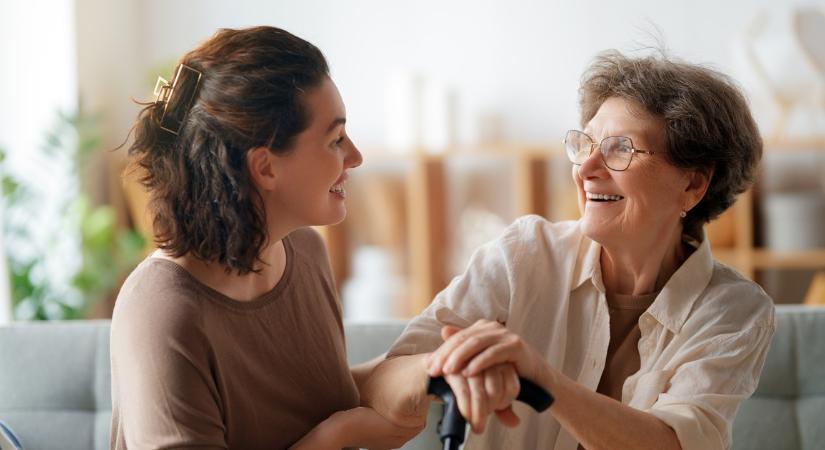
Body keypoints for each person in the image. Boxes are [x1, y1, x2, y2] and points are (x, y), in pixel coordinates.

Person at [362, 50, 775, 450]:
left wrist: (545, 381)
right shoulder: (524, 254)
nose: (586, 169)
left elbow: (672, 443)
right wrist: (446, 368)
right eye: (585, 144)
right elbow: (381, 381)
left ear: (692, 184)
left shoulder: (734, 311)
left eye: (619, 149)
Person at [110, 26, 421, 450]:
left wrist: (431, 369)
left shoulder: (305, 252)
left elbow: (320, 395)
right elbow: (332, 422)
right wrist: (343, 434)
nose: (356, 156)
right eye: (335, 139)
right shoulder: (162, 309)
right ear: (266, 167)